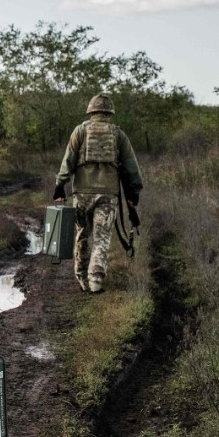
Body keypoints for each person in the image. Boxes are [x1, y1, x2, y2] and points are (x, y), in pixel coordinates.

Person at [54, 92, 144, 293]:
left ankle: (81, 277)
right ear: (110, 112)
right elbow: (132, 167)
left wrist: (60, 184)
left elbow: (68, 159)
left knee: (83, 235)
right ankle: (96, 280)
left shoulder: (80, 131)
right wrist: (134, 192)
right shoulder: (118, 134)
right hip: (108, 195)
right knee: (102, 237)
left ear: (91, 111)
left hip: (82, 194)